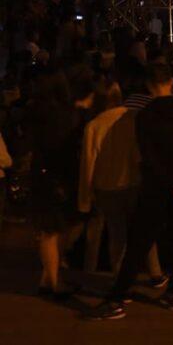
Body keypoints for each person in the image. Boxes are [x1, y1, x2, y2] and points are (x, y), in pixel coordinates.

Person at [91, 62, 173, 319]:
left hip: (157, 187)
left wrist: (172, 183)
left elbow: (150, 157)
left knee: (138, 243)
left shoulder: (146, 116)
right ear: (172, 82)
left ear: (148, 85)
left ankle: (119, 297)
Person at [78, 81, 164, 281]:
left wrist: (84, 198)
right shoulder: (134, 119)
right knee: (143, 229)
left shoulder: (94, 126)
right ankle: (155, 272)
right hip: (133, 182)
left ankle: (118, 276)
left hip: (106, 187)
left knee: (117, 235)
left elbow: (88, 163)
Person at [30, 68, 93, 299]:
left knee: (49, 230)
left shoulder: (38, 111)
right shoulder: (63, 115)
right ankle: (52, 283)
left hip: (42, 174)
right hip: (58, 176)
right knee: (54, 230)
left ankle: (48, 279)